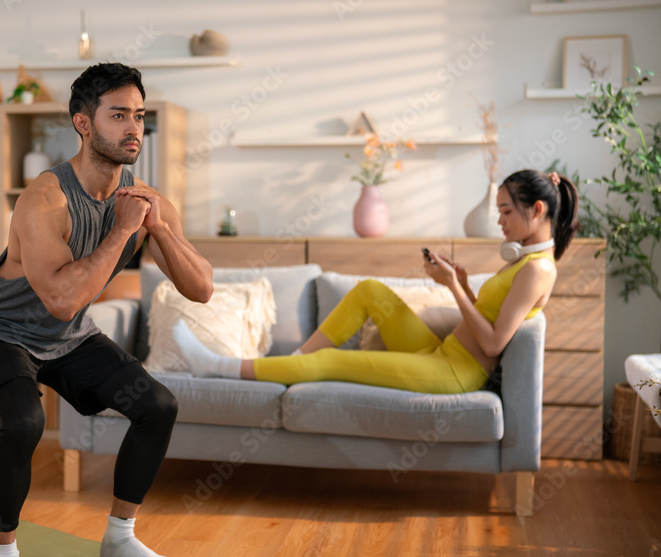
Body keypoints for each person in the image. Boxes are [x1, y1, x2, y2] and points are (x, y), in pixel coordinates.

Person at [0, 62, 213, 557]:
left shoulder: (148, 200)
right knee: (23, 423)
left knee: (158, 406)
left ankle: (120, 538)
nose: (133, 128)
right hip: (0, 331)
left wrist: (158, 226)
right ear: (82, 123)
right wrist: (122, 230)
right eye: (118, 114)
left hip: (67, 336)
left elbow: (202, 288)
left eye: (139, 116)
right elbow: (62, 296)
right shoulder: (44, 198)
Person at [174, 169, 579, 394]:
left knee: (331, 361)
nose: (500, 220)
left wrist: (454, 289)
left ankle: (216, 367)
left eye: (506, 211)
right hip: (442, 352)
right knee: (370, 291)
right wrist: (460, 282)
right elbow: (488, 317)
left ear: (537, 209)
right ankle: (290, 364)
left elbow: (492, 343)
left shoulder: (537, 269)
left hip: (455, 373)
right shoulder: (524, 260)